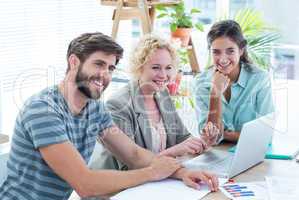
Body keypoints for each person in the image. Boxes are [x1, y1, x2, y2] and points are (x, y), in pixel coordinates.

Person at [0, 32, 219, 200]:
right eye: (98, 64)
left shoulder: (94, 108)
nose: (105, 75)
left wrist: (181, 173)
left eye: (111, 68)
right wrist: (153, 172)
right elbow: (84, 183)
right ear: (74, 62)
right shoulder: (43, 110)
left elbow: (132, 153)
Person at [89, 34, 221, 171]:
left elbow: (183, 138)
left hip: (155, 181)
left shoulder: (162, 94)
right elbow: (131, 164)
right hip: (120, 187)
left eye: (168, 67)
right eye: (156, 67)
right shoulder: (117, 105)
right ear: (139, 68)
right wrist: (173, 152)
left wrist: (203, 141)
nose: (163, 75)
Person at [194, 20, 274, 142]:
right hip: (215, 154)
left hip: (250, 152)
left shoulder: (259, 79)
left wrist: (223, 135)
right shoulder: (201, 82)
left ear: (241, 50)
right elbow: (209, 138)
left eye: (230, 51)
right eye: (216, 52)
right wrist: (215, 93)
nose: (222, 59)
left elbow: (266, 134)